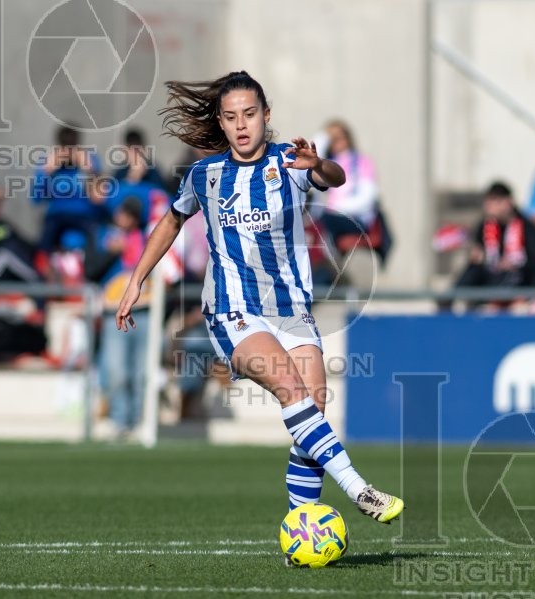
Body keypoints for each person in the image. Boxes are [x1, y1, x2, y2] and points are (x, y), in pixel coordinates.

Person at [114, 71, 403, 529]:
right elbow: (171, 222)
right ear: (221, 123)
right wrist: (136, 280)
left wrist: (318, 165)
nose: (241, 124)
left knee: (313, 408)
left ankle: (302, 528)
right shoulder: (205, 176)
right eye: (231, 117)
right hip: (233, 310)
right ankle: (357, 487)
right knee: (290, 388)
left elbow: (337, 176)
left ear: (266, 116)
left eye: (249, 114)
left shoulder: (291, 161)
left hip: (292, 310)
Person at [95, 198, 151, 438]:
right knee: (116, 371)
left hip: (145, 311)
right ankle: (120, 421)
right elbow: (91, 270)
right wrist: (111, 253)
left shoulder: (149, 239)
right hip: (114, 312)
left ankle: (139, 422)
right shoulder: (104, 238)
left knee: (142, 373)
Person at [455, 182, 535, 290]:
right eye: (488, 201)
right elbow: (481, 253)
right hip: (491, 279)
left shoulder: (527, 227)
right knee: (473, 271)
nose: (489, 206)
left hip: (519, 281)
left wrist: (512, 263)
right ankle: (449, 298)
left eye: (494, 201)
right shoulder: (485, 225)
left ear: (508, 202)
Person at [31, 126, 104, 252]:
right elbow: (35, 199)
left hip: (85, 214)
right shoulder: (48, 162)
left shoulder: (90, 160)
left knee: (95, 233)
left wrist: (90, 171)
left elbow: (100, 199)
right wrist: (45, 173)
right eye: (65, 147)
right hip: (57, 215)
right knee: (47, 233)